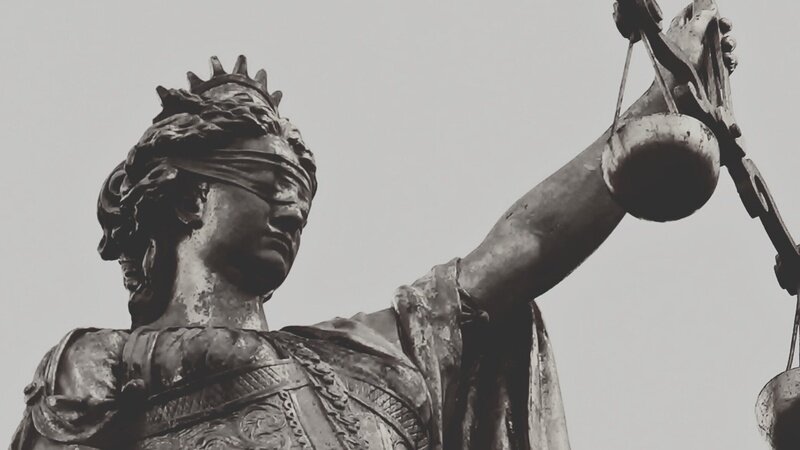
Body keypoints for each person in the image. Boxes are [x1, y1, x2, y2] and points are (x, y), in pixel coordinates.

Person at [10, 4, 737, 449]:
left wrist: (662, 99)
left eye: (303, 193)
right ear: (186, 200)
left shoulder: (368, 360)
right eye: (270, 184)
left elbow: (523, 249)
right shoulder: (97, 370)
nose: (294, 209)